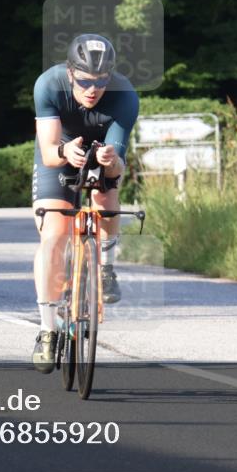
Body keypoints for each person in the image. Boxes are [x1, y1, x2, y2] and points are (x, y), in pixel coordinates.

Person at [30, 33, 139, 373]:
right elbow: (48, 152)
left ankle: (105, 266)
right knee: (54, 233)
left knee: (106, 194)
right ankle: (48, 329)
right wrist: (64, 151)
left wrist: (110, 159)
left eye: (101, 81)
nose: (93, 89)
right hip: (62, 149)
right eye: (85, 81)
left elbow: (118, 166)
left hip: (103, 148)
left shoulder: (125, 96)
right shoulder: (48, 84)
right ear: (70, 72)